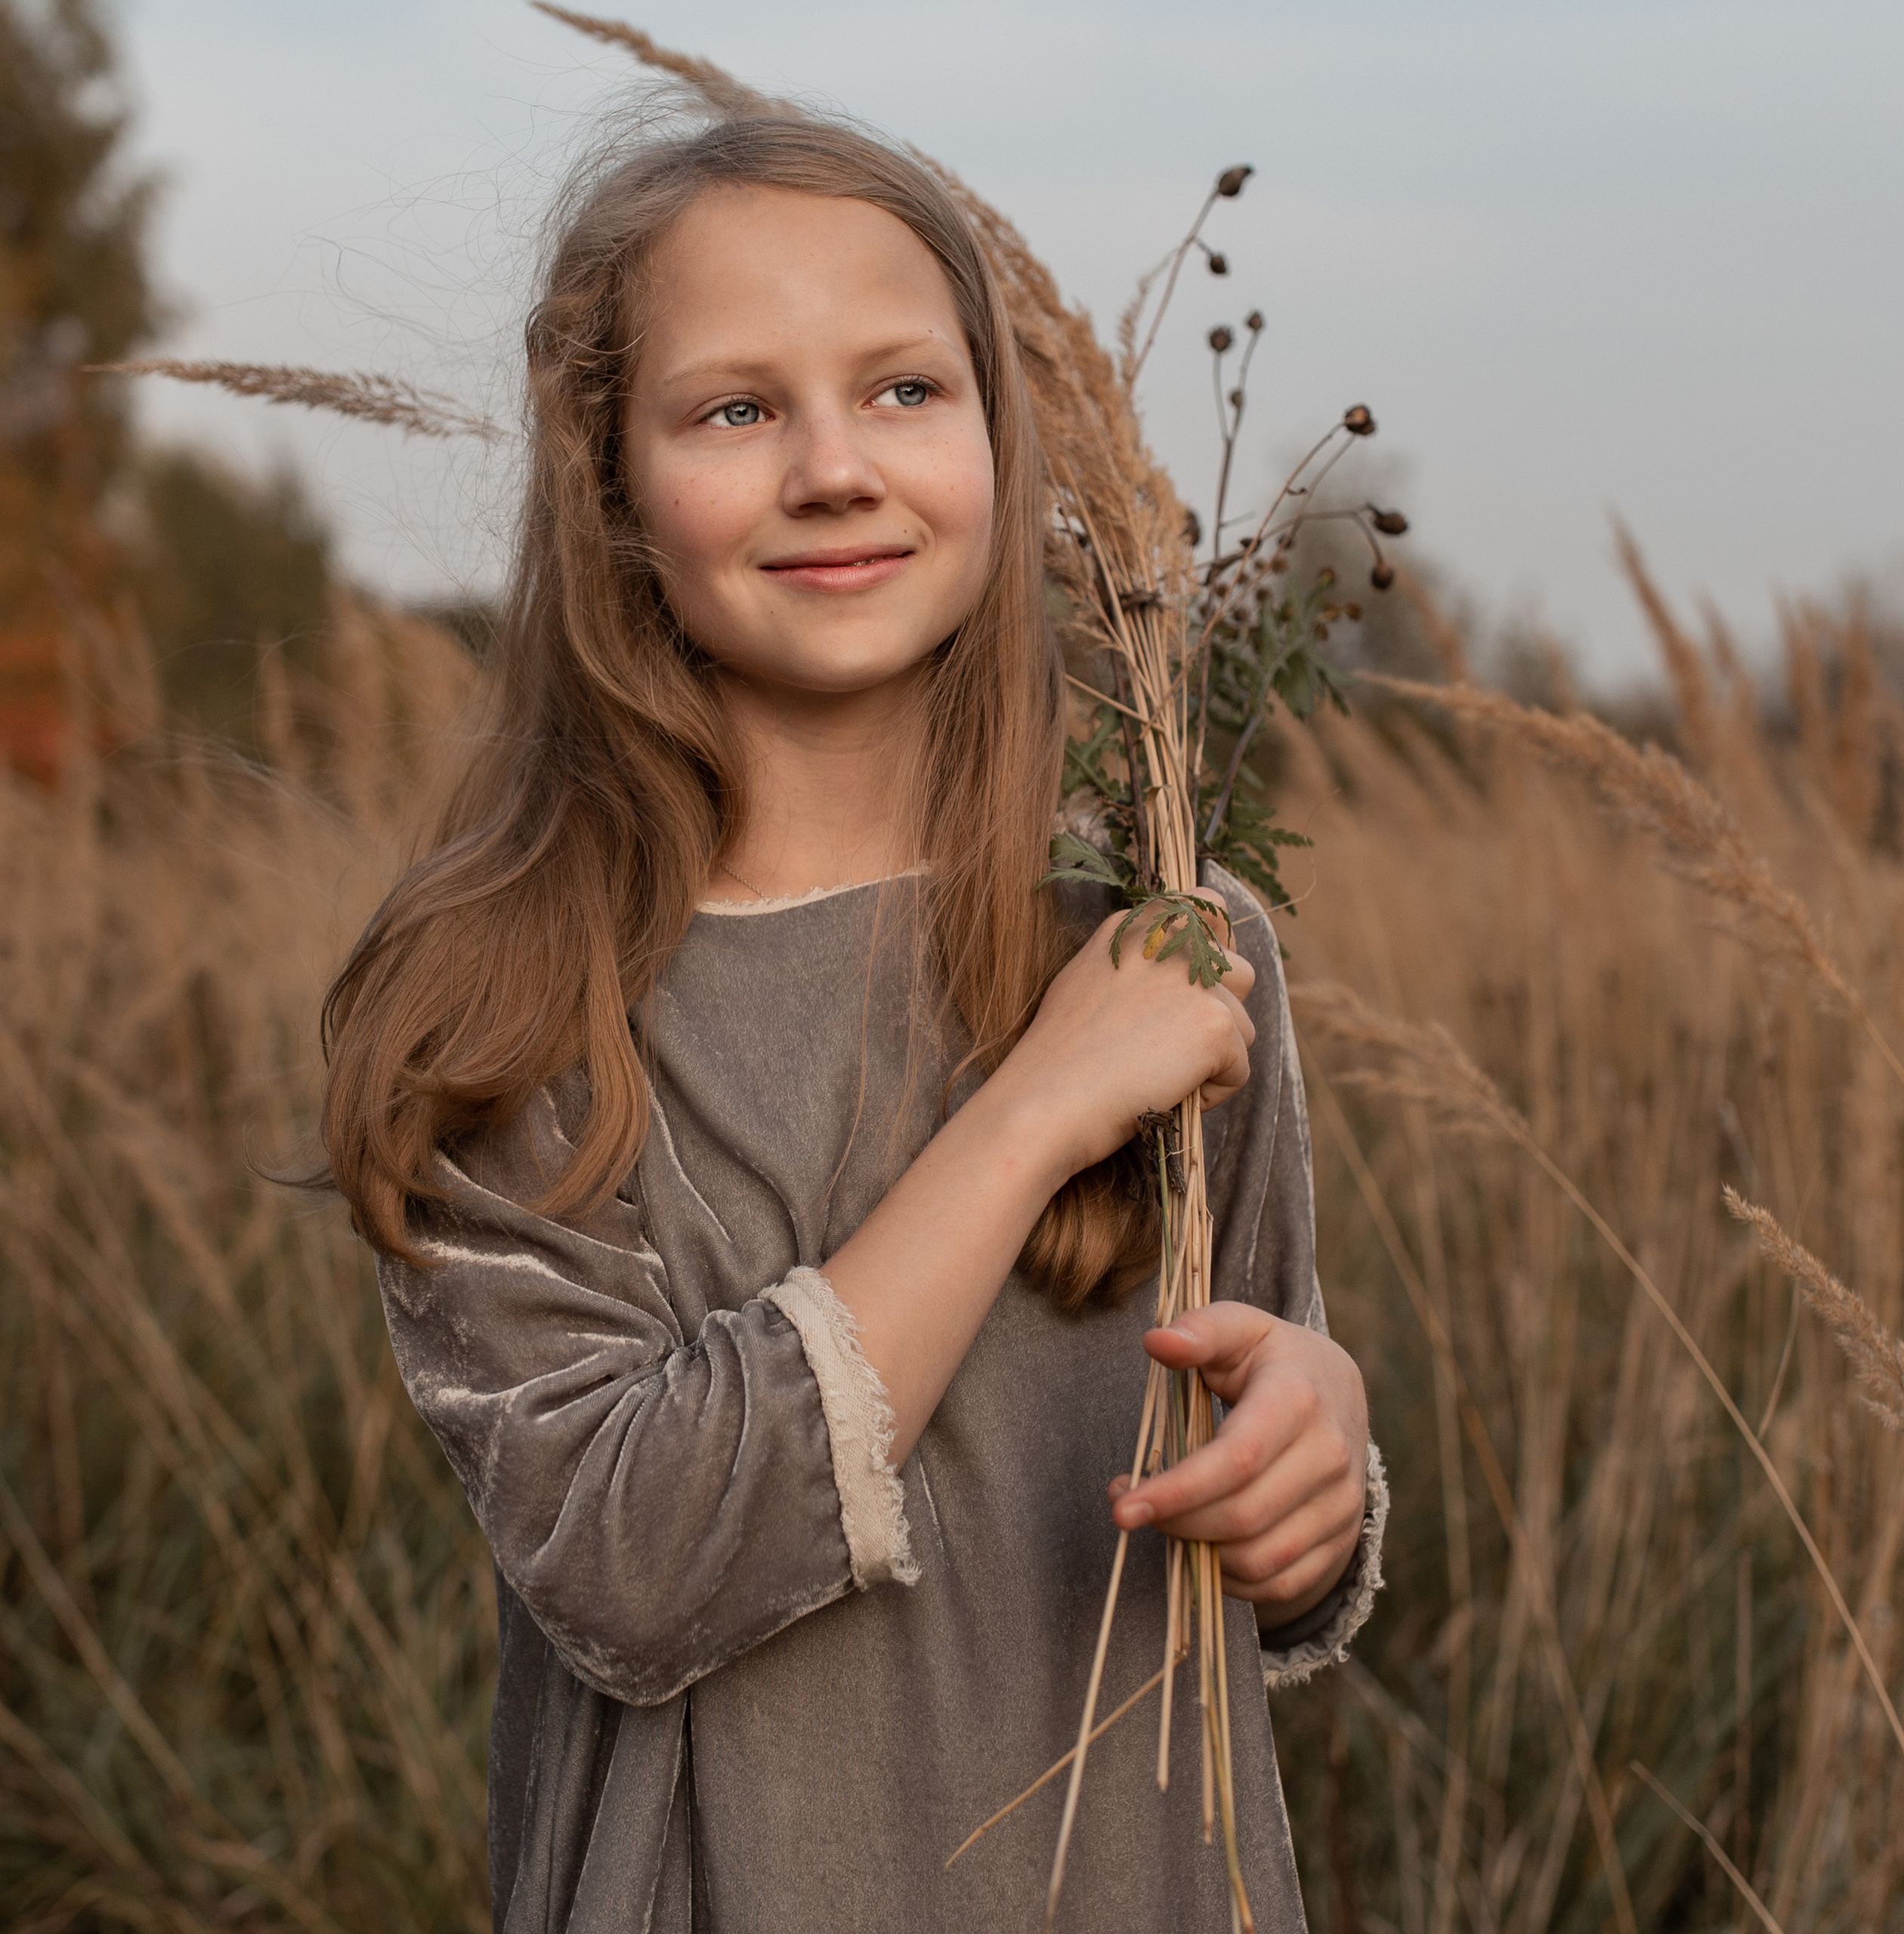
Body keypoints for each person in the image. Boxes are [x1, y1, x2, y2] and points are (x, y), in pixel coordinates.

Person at [321, 107, 1386, 1934]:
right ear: (608, 484)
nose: (833, 467)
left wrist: (1317, 1467)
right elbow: (637, 1563)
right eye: (735, 409)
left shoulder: (1166, 948)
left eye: (902, 389)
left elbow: (1254, 1445)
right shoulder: (503, 1008)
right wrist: (1036, 1105)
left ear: (1001, 434)